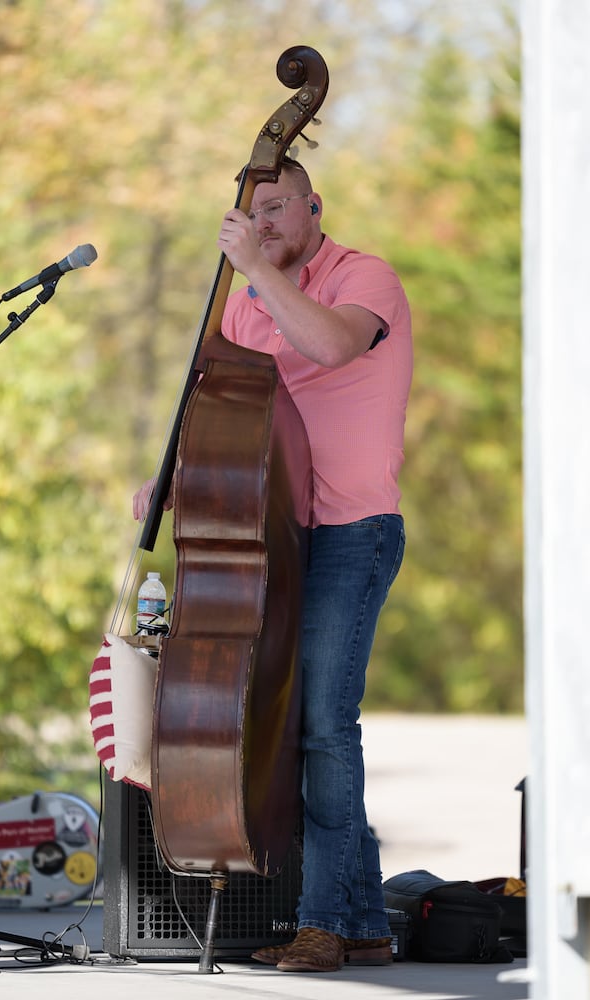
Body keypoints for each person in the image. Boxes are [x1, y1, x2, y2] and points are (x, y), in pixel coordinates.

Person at [132, 157, 412, 974]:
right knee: (299, 728)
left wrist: (253, 271)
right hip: (275, 537)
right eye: (252, 216)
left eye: (278, 209)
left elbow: (327, 346)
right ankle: (364, 923)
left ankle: (321, 922)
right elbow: (228, 410)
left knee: (326, 724)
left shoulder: (365, 278)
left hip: (352, 532)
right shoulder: (249, 305)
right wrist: (180, 475)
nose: (264, 227)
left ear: (314, 207)